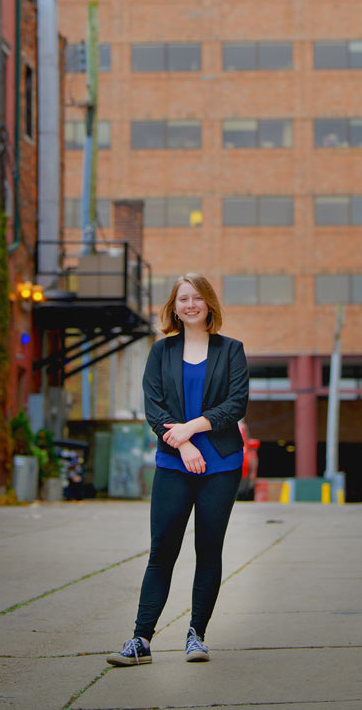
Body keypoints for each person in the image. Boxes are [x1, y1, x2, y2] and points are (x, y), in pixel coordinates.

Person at [107, 272, 249, 667]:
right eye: (183, 298)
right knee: (162, 549)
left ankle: (196, 635)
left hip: (221, 464)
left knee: (208, 548)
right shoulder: (161, 352)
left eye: (197, 298)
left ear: (208, 305)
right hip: (173, 461)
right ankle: (141, 639)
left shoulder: (231, 350)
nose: (190, 305)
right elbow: (155, 410)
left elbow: (236, 405)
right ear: (174, 306)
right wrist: (183, 443)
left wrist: (192, 427)